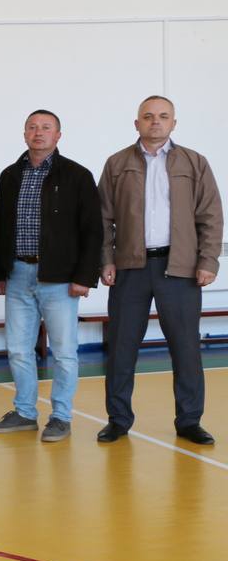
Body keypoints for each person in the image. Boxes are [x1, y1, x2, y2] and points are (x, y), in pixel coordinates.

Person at [98, 95, 223, 445]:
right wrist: (106, 260)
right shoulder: (117, 163)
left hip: (180, 269)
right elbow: (102, 218)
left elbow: (211, 216)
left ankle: (189, 421)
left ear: (174, 123)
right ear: (136, 123)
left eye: (163, 116)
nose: (156, 122)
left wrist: (208, 261)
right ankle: (118, 420)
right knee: (121, 348)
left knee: (186, 348)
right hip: (130, 269)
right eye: (149, 116)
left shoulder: (194, 163)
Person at [0, 110, 103, 441]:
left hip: (60, 279)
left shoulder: (77, 175)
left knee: (64, 352)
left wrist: (84, 276)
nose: (38, 133)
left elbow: (92, 230)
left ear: (58, 135)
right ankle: (25, 412)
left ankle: (61, 417)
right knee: (18, 349)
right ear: (24, 134)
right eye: (32, 127)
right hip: (18, 275)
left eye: (46, 128)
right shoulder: (10, 175)